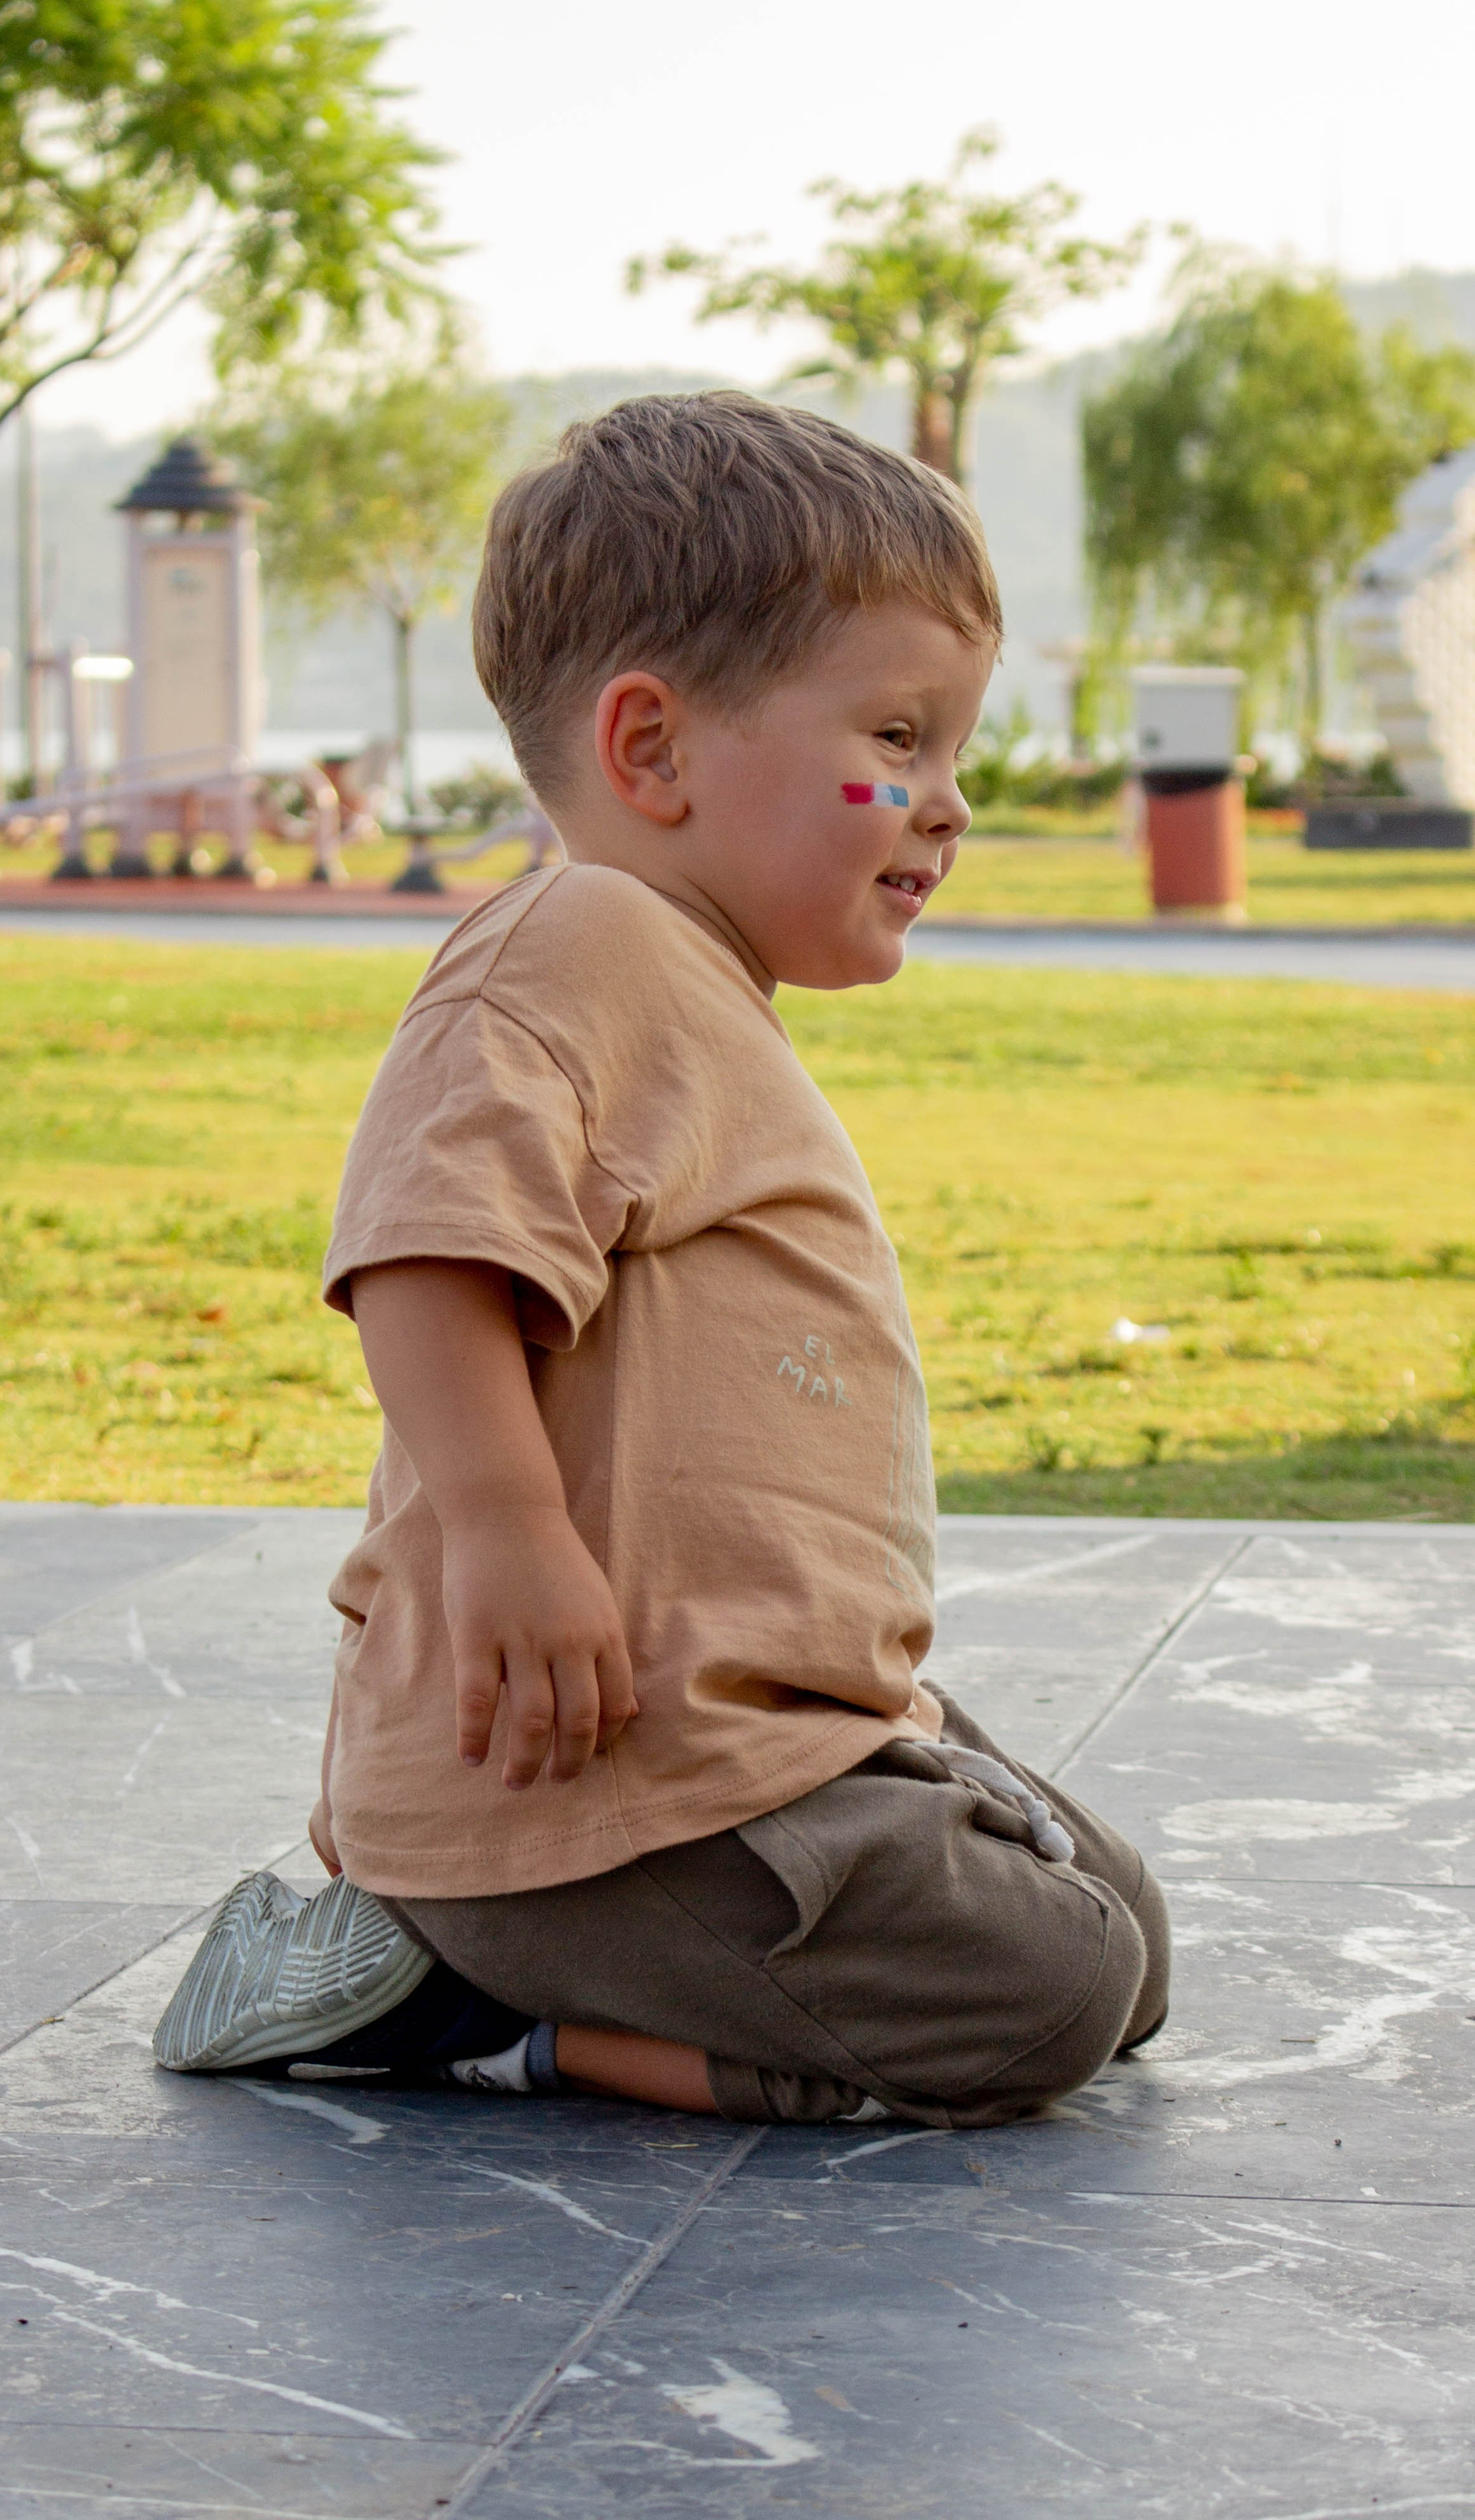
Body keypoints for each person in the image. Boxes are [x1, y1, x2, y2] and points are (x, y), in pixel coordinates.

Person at [154, 392, 1168, 2126]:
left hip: (718, 1744)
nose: (947, 804)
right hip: (581, 1784)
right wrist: (507, 1524)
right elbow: (420, 1244)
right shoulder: (581, 938)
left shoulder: (690, 987)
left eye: (950, 752)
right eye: (899, 738)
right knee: (1050, 1988)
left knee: (1121, 1938)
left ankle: (528, 1960)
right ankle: (458, 2005)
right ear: (654, 753)